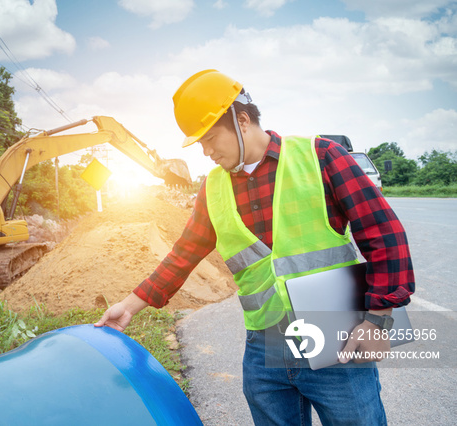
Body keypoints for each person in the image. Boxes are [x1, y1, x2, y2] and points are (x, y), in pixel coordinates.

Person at [95, 69, 414, 425]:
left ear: (242, 120)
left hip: (336, 343)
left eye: (211, 138)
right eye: (199, 143)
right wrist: (129, 305)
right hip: (265, 354)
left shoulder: (321, 156)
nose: (206, 152)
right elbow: (183, 255)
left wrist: (378, 321)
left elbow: (383, 234)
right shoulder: (212, 189)